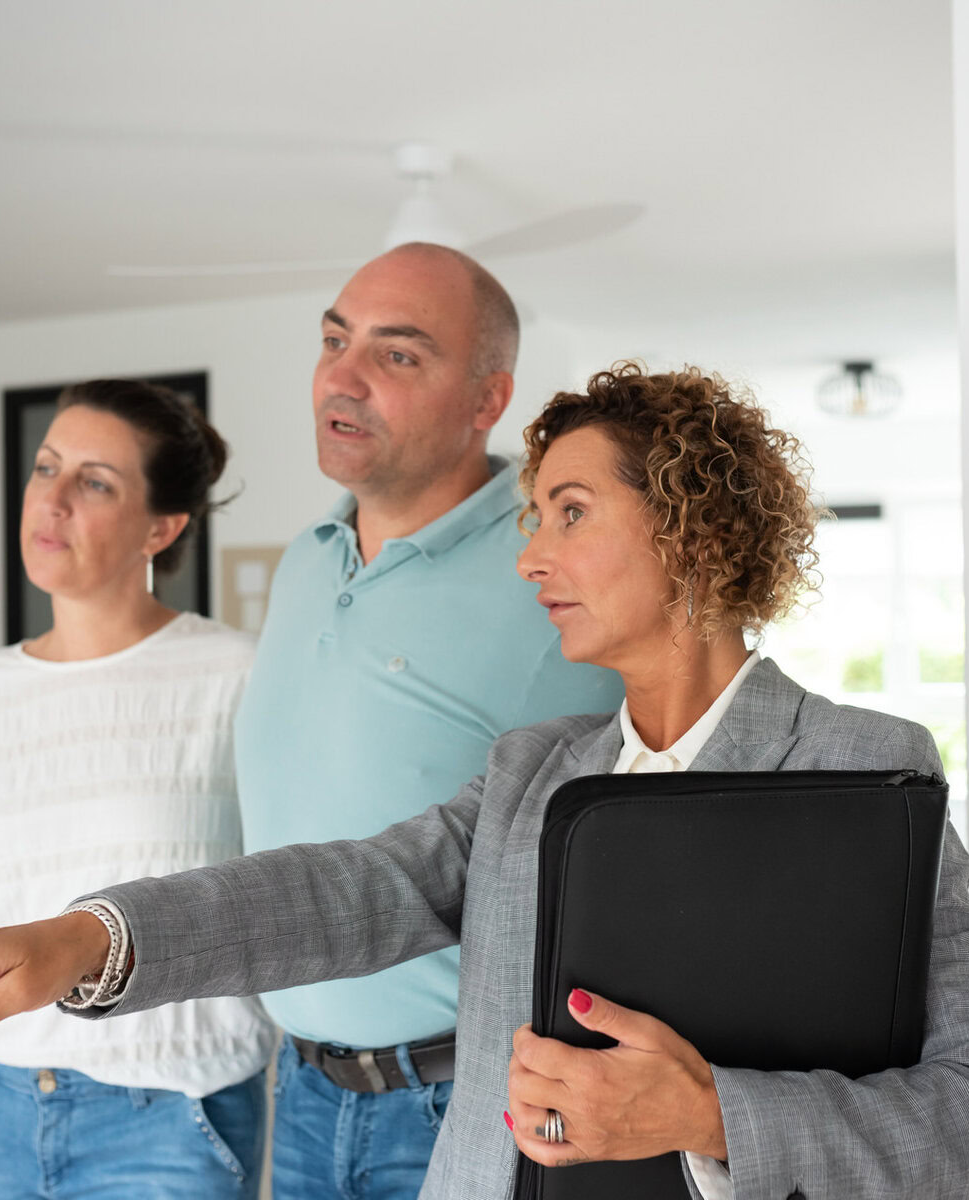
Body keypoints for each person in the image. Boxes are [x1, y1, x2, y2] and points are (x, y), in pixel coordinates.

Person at [0, 364, 969, 1200]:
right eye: (530, 514)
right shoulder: (533, 776)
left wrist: (709, 1117)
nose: (530, 553)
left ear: (690, 530)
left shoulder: (863, 769)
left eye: (569, 511)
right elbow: (339, 894)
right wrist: (81, 942)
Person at [231, 242, 621, 1197]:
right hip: (303, 1091)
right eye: (335, 340)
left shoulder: (555, 564)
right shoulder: (305, 561)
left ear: (489, 399)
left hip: (464, 1100)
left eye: (397, 355)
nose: (344, 376)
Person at [0, 379, 277, 1199]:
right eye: (45, 467)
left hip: (169, 1111)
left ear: (162, 527)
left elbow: (280, 888)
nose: (50, 500)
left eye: (94, 481)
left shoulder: (239, 675)